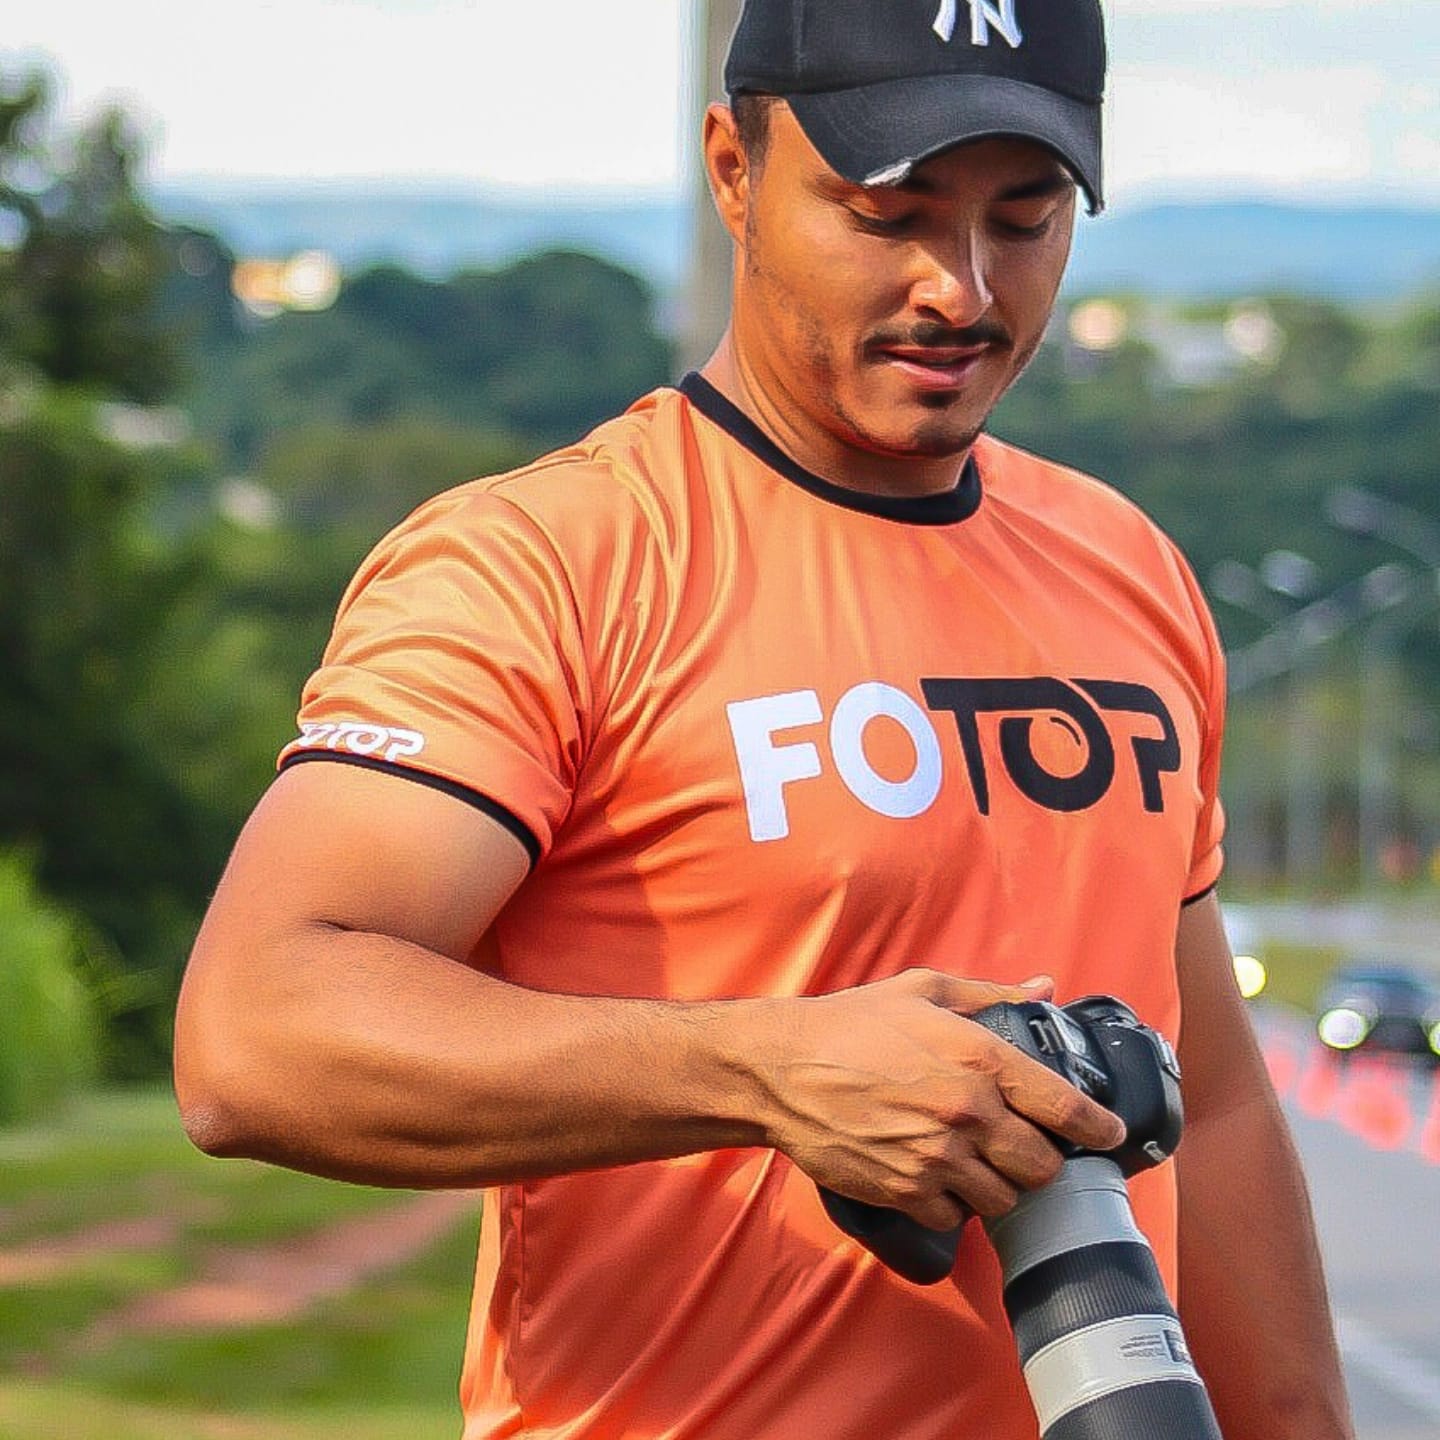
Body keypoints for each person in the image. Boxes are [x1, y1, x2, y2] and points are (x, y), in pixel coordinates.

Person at [174, 1, 1355, 1436]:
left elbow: (1212, 1100)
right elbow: (255, 1034)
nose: (961, 288)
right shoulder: (546, 564)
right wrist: (766, 1071)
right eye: (887, 213)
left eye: (1026, 217)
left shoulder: (1127, 567)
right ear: (734, 170)